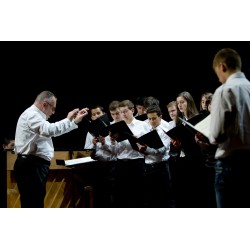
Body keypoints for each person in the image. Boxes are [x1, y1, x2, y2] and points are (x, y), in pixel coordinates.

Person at [13, 90, 89, 208]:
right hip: (31, 165)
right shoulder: (32, 114)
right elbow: (50, 130)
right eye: (53, 108)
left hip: (33, 165)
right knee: (33, 204)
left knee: (33, 202)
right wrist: (69, 120)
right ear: (44, 104)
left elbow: (51, 131)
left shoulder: (35, 115)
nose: (53, 112)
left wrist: (73, 122)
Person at [209, 48, 250, 208]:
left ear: (223, 67)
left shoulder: (224, 90)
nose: (219, 79)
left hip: (230, 165)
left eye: (217, 73)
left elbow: (216, 136)